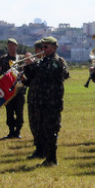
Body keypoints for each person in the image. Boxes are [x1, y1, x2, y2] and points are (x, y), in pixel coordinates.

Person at [22, 36, 69, 167]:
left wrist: (33, 64)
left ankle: (51, 159)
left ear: (54, 47)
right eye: (42, 47)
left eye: (46, 47)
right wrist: (27, 68)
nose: (43, 49)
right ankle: (44, 154)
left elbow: (49, 73)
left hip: (51, 102)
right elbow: (33, 77)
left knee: (50, 131)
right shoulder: (42, 61)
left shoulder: (57, 61)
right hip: (40, 101)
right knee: (40, 129)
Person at [0, 38, 26, 139]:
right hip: (8, 91)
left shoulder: (21, 59)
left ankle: (17, 131)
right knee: (9, 112)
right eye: (9, 45)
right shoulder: (3, 59)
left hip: (19, 90)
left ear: (16, 46)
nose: (11, 47)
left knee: (19, 112)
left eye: (13, 45)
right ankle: (11, 131)